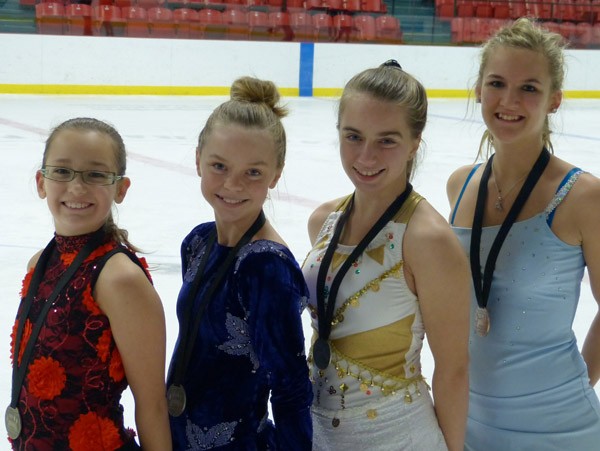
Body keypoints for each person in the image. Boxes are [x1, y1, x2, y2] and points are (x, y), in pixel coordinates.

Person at [447, 18, 600, 450]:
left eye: (529, 88)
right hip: (471, 424)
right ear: (479, 90)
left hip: (560, 428)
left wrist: (574, 385)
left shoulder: (583, 197)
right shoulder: (460, 186)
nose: (509, 100)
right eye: (497, 83)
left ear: (554, 100)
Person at [302, 60, 470, 451]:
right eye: (353, 136)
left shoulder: (427, 239)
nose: (366, 156)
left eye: (387, 141)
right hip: (318, 432)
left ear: (415, 142)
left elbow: (454, 370)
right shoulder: (323, 222)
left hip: (397, 437)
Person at [166, 76, 313, 450]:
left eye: (253, 172)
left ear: (275, 175)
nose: (233, 184)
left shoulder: (267, 268)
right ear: (198, 160)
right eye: (219, 165)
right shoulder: (198, 242)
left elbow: (291, 388)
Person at [7, 118, 172, 450]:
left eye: (95, 175)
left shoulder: (120, 279)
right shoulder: (40, 264)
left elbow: (152, 406)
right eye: (62, 171)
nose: (77, 187)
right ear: (41, 182)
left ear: (120, 189)